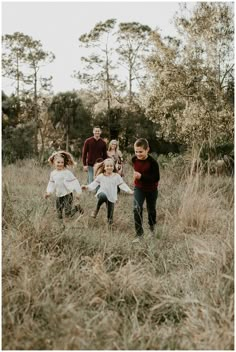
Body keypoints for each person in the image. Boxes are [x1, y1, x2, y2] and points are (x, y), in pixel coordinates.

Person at [82, 158, 133, 225]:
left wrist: (129, 191)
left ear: (113, 167)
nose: (109, 167)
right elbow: (94, 184)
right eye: (107, 166)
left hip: (111, 196)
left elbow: (122, 184)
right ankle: (96, 209)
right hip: (102, 193)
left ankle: (109, 224)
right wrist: (87, 187)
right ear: (104, 167)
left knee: (110, 215)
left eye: (111, 166)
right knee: (103, 196)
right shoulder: (101, 176)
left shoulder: (116, 176)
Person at [132, 138, 160, 240]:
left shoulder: (153, 163)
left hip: (151, 190)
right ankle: (139, 234)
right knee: (136, 208)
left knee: (151, 210)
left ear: (147, 149)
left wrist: (141, 177)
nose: (138, 154)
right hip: (139, 188)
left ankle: (152, 228)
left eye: (140, 152)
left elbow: (156, 178)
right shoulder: (133, 159)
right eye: (136, 151)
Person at [45, 151, 84, 219]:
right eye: (58, 162)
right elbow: (51, 184)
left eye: (62, 162)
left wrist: (78, 192)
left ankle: (76, 208)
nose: (60, 164)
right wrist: (49, 192)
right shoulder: (53, 173)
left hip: (67, 195)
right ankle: (60, 226)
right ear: (54, 162)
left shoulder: (67, 173)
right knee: (59, 214)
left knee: (67, 214)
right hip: (58, 195)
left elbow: (75, 182)